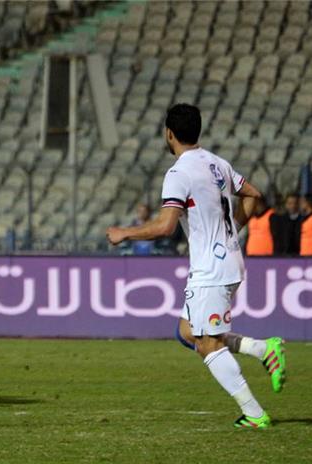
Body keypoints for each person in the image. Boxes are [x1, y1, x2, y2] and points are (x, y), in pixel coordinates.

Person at [107, 103, 286, 429]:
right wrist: (232, 231)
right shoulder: (217, 163)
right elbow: (252, 194)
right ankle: (263, 349)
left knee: (207, 344)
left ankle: (254, 413)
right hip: (225, 260)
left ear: (169, 134)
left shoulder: (179, 173)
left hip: (212, 270)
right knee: (187, 331)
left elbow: (165, 226)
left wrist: (125, 233)